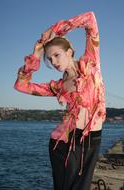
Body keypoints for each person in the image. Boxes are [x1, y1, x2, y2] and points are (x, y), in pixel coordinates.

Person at [14, 11, 106, 190]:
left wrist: (53, 30)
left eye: (57, 55)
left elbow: (90, 19)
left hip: (92, 139)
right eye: (49, 59)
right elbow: (21, 85)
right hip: (64, 143)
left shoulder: (91, 62)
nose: (53, 61)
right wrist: (36, 54)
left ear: (69, 52)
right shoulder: (58, 86)